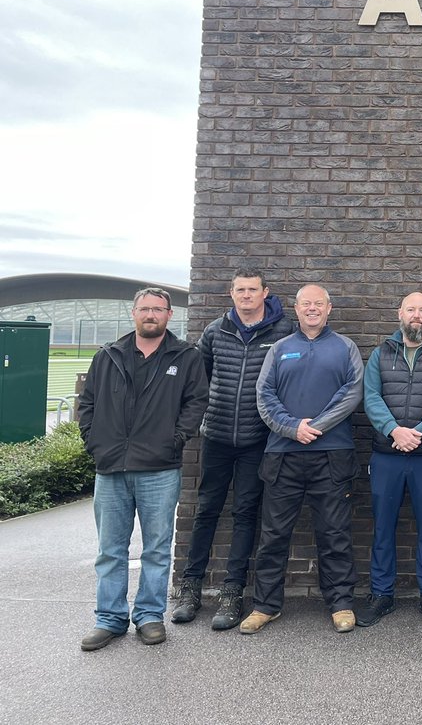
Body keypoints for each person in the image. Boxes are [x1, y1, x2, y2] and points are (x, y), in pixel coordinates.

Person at [78, 287, 208, 651]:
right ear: (134, 313)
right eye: (145, 309)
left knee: (156, 548)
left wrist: (175, 439)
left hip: (159, 468)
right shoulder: (108, 355)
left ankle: (149, 616)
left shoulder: (185, 357)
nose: (151, 314)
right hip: (111, 468)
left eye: (158, 309)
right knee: (110, 550)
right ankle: (109, 618)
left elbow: (197, 401)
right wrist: (94, 441)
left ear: (169, 315)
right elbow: (87, 403)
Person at [172, 268, 295, 631]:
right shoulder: (216, 331)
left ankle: (232, 591)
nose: (246, 295)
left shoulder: (283, 332)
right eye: (240, 290)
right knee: (206, 510)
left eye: (252, 289)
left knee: (245, 513)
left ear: (265, 293)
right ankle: (190, 588)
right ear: (231, 293)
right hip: (217, 436)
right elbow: (199, 381)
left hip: (257, 439)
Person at [239, 284, 364, 635]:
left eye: (318, 303)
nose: (312, 309)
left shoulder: (346, 348)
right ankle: (265, 606)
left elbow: (353, 391)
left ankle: (340, 603)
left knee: (334, 532)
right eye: (306, 303)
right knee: (274, 534)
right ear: (296, 309)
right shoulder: (280, 349)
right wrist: (292, 428)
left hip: (332, 454)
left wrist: (315, 426)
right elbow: (264, 394)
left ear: (329, 308)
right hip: (283, 455)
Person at [356, 291, 422, 628]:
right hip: (386, 455)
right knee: (382, 527)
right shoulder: (380, 353)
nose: (417, 315)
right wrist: (394, 431)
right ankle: (381, 594)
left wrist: (419, 432)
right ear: (399, 313)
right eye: (411, 309)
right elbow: (371, 397)